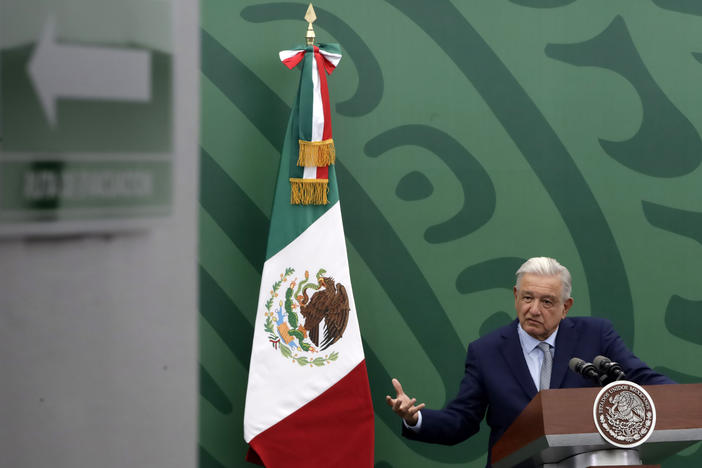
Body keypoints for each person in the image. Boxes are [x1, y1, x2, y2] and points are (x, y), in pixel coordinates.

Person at [386, 257, 673, 467]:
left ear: (566, 307)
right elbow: (462, 421)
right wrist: (415, 419)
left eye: (547, 302)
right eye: (527, 298)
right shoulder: (485, 352)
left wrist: (688, 403)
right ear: (515, 296)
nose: (533, 309)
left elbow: (641, 378)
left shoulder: (597, 336)